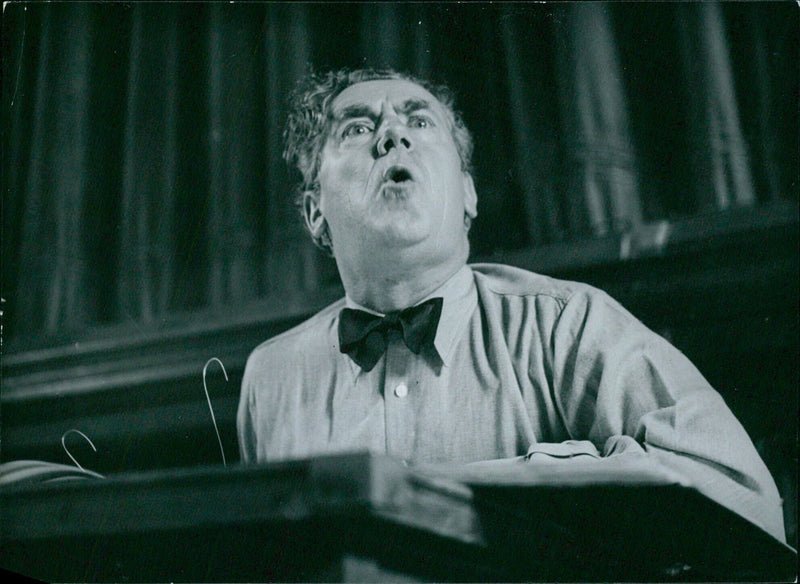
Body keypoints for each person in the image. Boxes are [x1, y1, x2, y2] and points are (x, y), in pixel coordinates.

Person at [236, 68, 786, 543]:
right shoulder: (270, 378)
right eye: (358, 128)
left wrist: (477, 488)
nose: (392, 138)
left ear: (469, 194)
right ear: (314, 213)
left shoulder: (569, 324)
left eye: (419, 122)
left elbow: (742, 495)